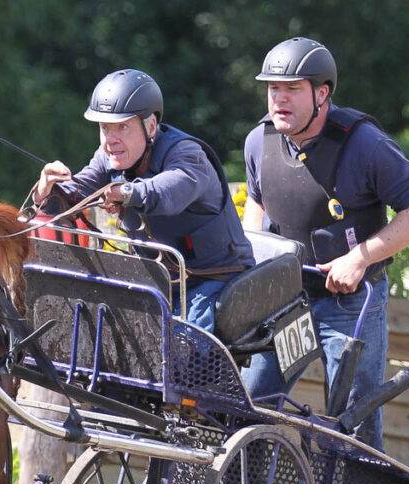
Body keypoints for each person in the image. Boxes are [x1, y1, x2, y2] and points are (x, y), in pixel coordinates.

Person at [240, 37, 409, 451]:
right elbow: (257, 206)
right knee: (249, 404)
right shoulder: (259, 141)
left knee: (351, 423)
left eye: (292, 89)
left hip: (351, 304)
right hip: (287, 302)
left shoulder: (366, 144)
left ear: (322, 92)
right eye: (274, 88)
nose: (279, 99)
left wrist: (359, 258)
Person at [32, 68, 254, 332]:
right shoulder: (109, 156)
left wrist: (126, 193)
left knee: (187, 355)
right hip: (156, 283)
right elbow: (78, 190)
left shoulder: (188, 154)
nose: (110, 140)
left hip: (215, 280)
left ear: (150, 126)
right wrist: (48, 189)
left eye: (122, 127)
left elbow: (167, 191)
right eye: (104, 128)